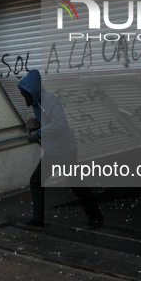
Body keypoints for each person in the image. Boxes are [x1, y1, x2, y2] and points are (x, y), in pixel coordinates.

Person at [17, 69, 104, 231]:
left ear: (33, 90)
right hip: (53, 151)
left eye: (26, 94)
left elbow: (60, 123)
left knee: (76, 184)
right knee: (36, 181)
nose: (25, 98)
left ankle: (96, 218)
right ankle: (37, 221)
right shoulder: (37, 103)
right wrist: (35, 126)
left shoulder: (50, 100)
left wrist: (38, 134)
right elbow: (46, 121)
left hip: (65, 150)